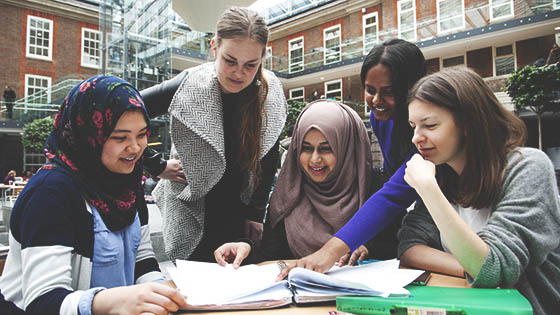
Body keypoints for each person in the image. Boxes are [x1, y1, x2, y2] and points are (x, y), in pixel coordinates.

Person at [0, 76, 186, 314]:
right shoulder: (50, 193)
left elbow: (142, 258)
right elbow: (43, 301)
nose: (135, 148)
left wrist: (161, 292)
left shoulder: (128, 180)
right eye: (120, 137)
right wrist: (114, 301)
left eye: (141, 135)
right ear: (89, 134)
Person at [399, 68, 560, 315]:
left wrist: (429, 190)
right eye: (413, 126)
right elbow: (410, 248)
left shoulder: (528, 168)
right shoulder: (444, 175)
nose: (416, 138)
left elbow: (493, 266)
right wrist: (471, 268)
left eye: (429, 125)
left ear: (468, 123)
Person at [140, 7, 287, 262]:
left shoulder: (270, 92)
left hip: (239, 214)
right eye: (230, 61)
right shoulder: (188, 84)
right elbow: (120, 113)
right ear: (214, 48)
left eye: (251, 65)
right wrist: (156, 164)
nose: (239, 73)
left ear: (263, 57)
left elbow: (269, 156)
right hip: (192, 207)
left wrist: (255, 212)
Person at [278, 38, 426, 277]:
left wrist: (330, 251)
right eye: (370, 90)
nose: (376, 101)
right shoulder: (381, 118)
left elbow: (395, 194)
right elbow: (394, 176)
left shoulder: (427, 135)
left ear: (411, 88)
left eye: (388, 92)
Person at [214, 100, 389, 267]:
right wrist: (246, 248)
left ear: (347, 148)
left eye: (326, 148)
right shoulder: (289, 195)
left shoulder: (376, 190)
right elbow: (272, 257)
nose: (315, 159)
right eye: (306, 148)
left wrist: (368, 248)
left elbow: (395, 246)